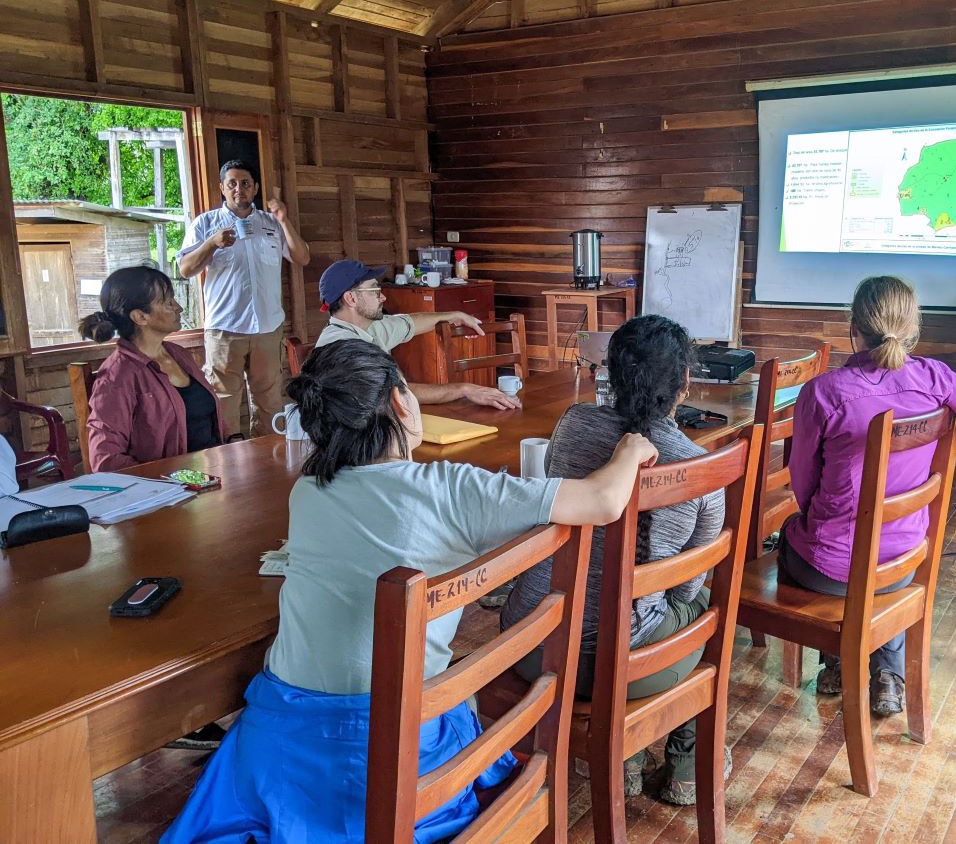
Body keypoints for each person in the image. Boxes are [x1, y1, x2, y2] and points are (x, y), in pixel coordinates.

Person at [162, 338, 658, 843]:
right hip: (403, 750)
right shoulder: (450, 488)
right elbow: (601, 501)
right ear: (402, 402)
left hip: (283, 747)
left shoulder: (308, 490)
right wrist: (630, 448)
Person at [502, 314, 725, 806]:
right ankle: (685, 767)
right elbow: (684, 590)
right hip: (624, 664)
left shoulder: (572, 425)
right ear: (685, 384)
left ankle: (623, 760)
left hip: (532, 645)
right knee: (708, 608)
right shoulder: (694, 465)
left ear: (612, 375)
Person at [782, 276, 956, 716]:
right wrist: (942, 433)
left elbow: (803, 485)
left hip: (831, 571)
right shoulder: (935, 379)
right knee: (875, 565)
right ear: (914, 327)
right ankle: (888, 676)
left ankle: (836, 662)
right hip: (904, 562)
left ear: (853, 327)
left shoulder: (823, 392)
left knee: (791, 534)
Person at [178, 159, 311, 438]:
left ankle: (268, 461)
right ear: (222, 189)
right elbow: (185, 269)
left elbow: (302, 257)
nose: (239, 189)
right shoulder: (206, 224)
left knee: (270, 399)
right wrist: (211, 244)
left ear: (255, 188)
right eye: (232, 184)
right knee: (223, 399)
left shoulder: (271, 222)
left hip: (268, 327)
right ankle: (228, 464)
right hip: (225, 328)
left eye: (246, 183)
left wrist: (284, 219)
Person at [314, 259, 519, 409]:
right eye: (375, 291)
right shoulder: (342, 348)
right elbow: (397, 393)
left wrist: (453, 315)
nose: (383, 297)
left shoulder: (369, 326)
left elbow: (411, 322)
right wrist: (465, 389)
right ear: (351, 298)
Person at [78, 266, 225, 473]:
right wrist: (167, 480)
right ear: (140, 317)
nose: (179, 308)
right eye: (168, 302)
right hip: (170, 491)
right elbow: (106, 460)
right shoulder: (117, 376)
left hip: (212, 473)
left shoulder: (178, 354)